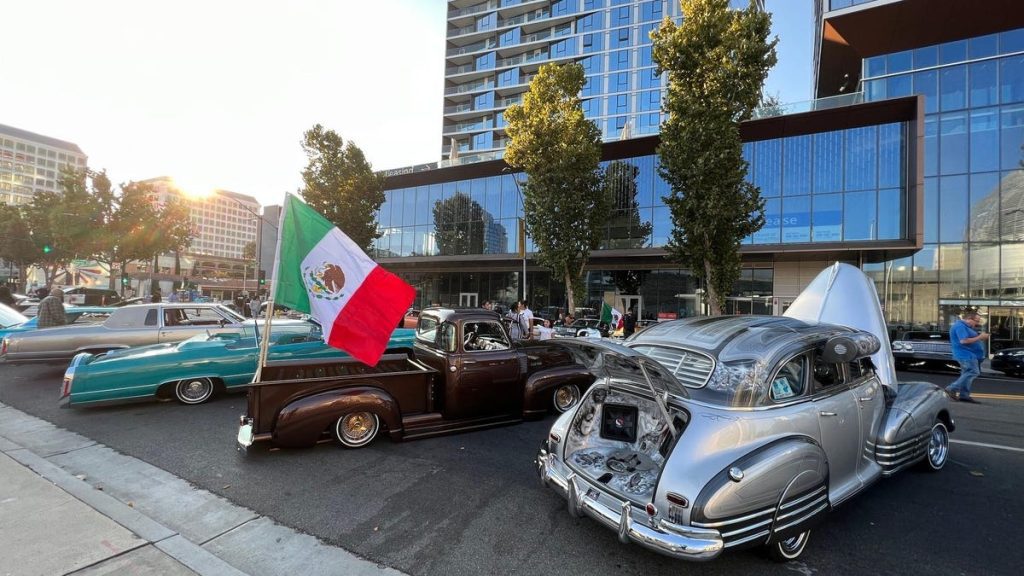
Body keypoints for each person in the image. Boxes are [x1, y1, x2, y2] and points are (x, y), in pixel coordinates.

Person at [946, 311, 989, 404]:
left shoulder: (966, 327)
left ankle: (964, 395)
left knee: (966, 373)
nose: (977, 323)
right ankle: (951, 388)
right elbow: (964, 341)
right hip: (965, 355)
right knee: (973, 372)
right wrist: (980, 337)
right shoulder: (960, 326)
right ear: (969, 319)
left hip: (969, 354)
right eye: (976, 321)